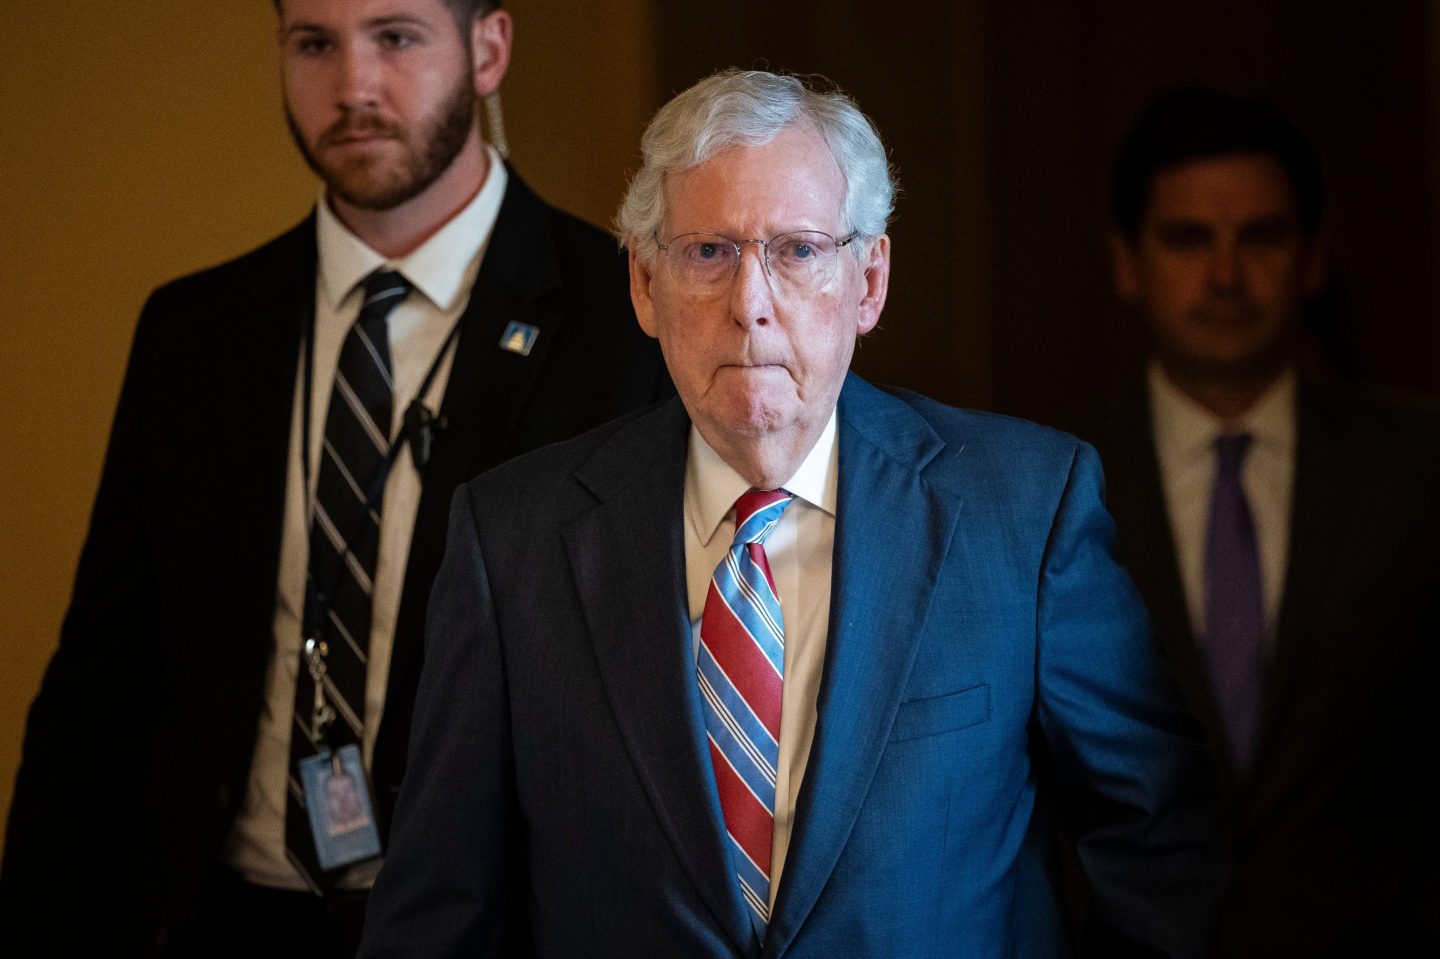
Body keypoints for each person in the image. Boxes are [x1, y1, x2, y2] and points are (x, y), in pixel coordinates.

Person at [358, 68, 1227, 959]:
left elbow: (1159, 837)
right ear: (645, 285)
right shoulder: (513, 540)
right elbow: (438, 913)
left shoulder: (1024, 508)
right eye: (708, 252)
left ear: (870, 281)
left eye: (799, 251)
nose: (750, 305)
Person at [0, 0, 668, 955]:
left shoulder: (631, 322)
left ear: (487, 50)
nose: (352, 86)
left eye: (395, 37)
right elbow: (100, 689)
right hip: (219, 916)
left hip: (487, 927)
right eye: (314, 43)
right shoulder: (195, 331)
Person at [1090, 87, 1440, 956]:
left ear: (1313, 258)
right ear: (1128, 262)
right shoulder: (1049, 482)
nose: (1225, 275)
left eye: (1261, 237)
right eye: (1187, 239)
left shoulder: (1419, 473)